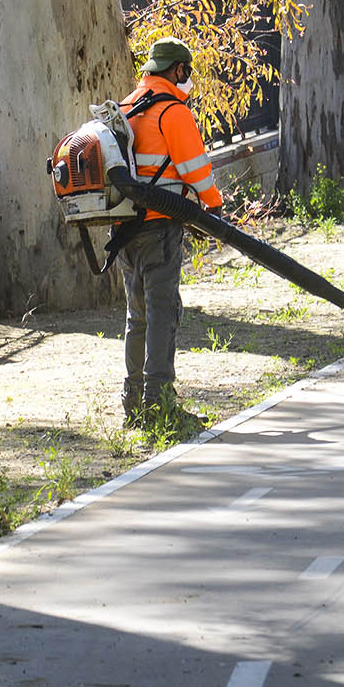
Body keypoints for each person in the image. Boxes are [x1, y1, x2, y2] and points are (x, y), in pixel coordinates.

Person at [114, 37, 223, 428]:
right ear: (178, 70)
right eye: (187, 72)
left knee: (136, 314)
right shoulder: (172, 111)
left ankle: (134, 402)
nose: (188, 79)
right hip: (160, 226)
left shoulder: (126, 107)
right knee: (163, 313)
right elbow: (195, 169)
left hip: (125, 229)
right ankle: (159, 402)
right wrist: (213, 203)